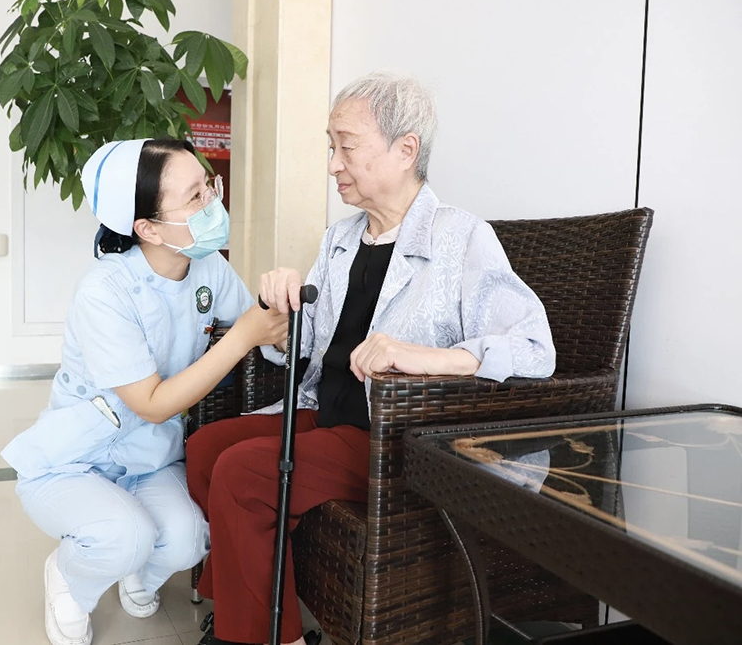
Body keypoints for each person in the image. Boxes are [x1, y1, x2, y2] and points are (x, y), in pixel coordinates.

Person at [185, 72, 557, 645]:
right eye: (330, 146)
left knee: (241, 474)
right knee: (206, 448)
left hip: (391, 435)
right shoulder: (339, 239)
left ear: (405, 150)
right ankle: (248, 604)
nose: (333, 164)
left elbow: (535, 350)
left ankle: (268, 637)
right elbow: (303, 351)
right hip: (327, 412)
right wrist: (281, 311)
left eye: (347, 146)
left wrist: (426, 357)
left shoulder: (461, 237)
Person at [1, 138, 287, 645]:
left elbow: (262, 334)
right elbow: (152, 403)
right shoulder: (104, 292)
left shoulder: (209, 268)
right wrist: (244, 334)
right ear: (148, 228)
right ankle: (69, 576)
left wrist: (282, 317)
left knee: (190, 540)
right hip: (77, 458)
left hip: (151, 456)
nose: (212, 203)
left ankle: (137, 570)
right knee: (125, 536)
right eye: (195, 197)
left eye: (209, 186)